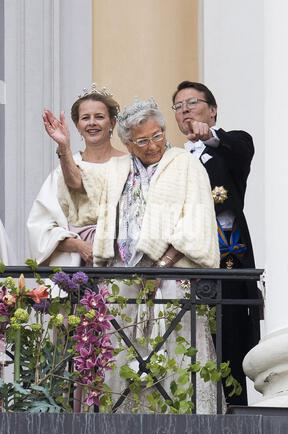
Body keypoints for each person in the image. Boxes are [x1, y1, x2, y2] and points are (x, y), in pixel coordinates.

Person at [58, 97, 224, 413]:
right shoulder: (117, 169)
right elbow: (80, 191)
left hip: (171, 277)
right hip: (121, 276)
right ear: (129, 145)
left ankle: (185, 426)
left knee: (174, 353)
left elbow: (197, 219)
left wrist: (159, 268)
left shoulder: (184, 163)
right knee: (120, 355)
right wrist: (65, 148)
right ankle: (120, 425)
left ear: (164, 132)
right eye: (142, 140)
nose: (152, 146)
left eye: (157, 136)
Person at [172, 80, 261, 405]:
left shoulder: (233, 146)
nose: (185, 110)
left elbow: (235, 147)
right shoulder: (173, 160)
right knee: (187, 350)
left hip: (228, 265)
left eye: (192, 102)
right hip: (184, 268)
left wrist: (208, 136)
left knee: (231, 351)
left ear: (212, 109)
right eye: (178, 106)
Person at [27, 83, 127, 266]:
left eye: (99, 117)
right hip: (75, 267)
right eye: (85, 118)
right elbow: (40, 228)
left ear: (112, 122)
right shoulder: (63, 170)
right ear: (77, 125)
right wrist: (79, 245)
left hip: (120, 264)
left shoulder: (129, 165)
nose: (92, 123)